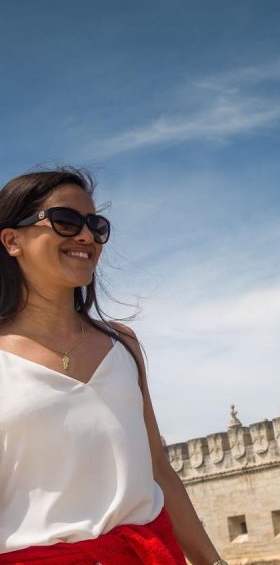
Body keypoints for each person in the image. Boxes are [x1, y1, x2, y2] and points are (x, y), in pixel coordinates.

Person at [0, 168, 228, 565]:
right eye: (66, 221)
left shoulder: (123, 345)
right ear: (12, 240)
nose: (86, 236)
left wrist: (213, 561)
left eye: (96, 226)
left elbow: (159, 470)